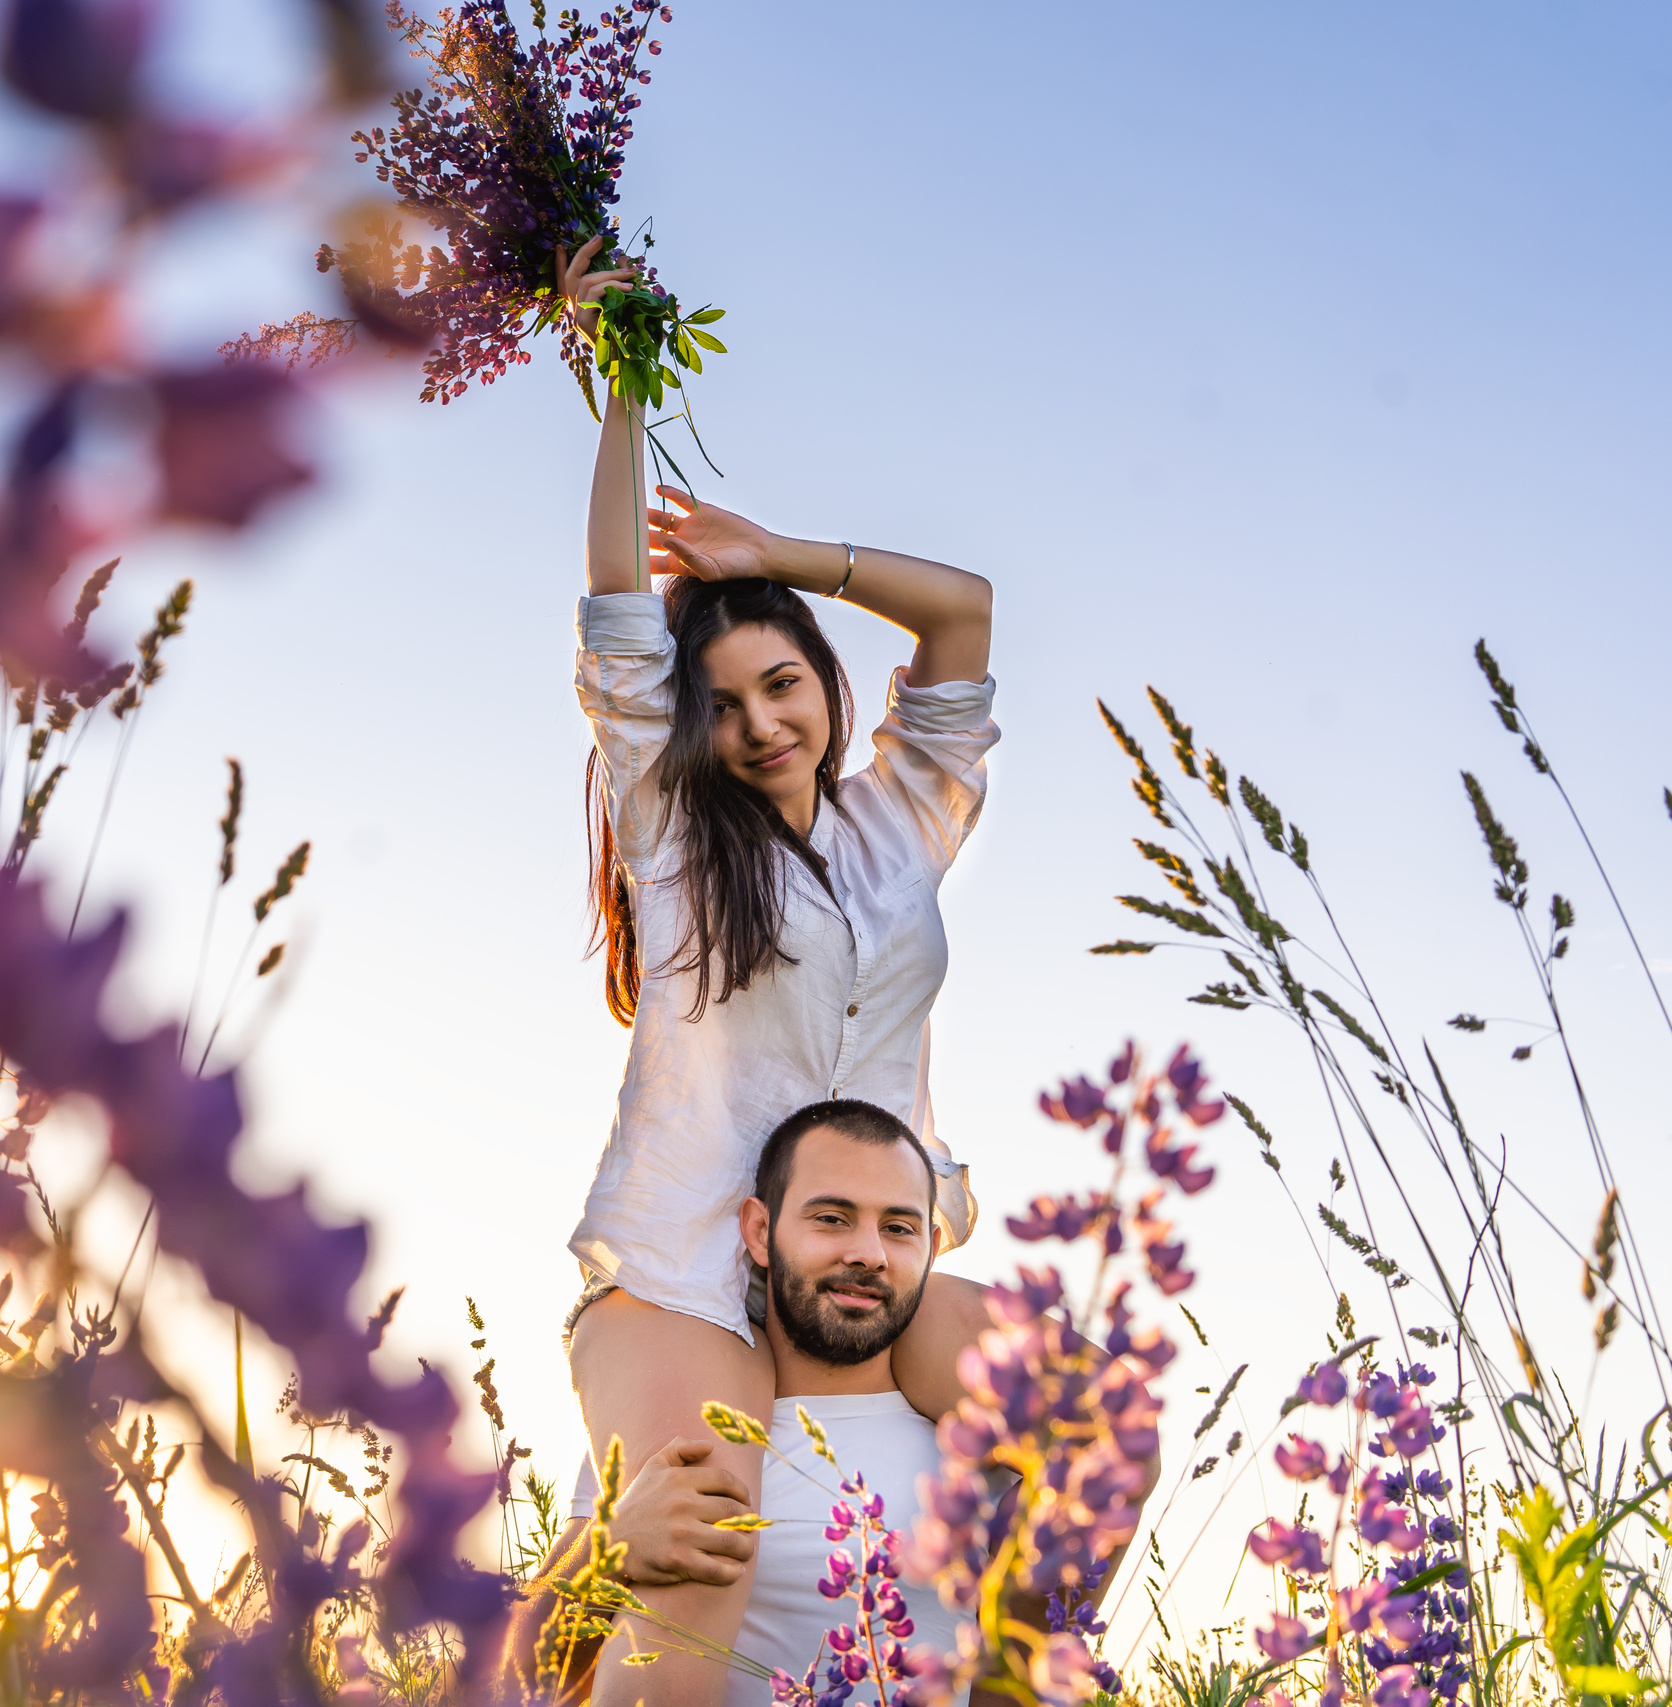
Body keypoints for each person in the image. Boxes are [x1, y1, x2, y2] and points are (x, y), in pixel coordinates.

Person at [552, 236, 1005, 1707]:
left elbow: (966, 609)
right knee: (704, 1544)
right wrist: (619, 381)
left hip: (870, 1250)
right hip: (695, 1270)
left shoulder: (899, 824)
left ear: (824, 680)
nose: (760, 724)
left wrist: (772, 558)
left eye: (784, 683)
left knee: (1067, 1413)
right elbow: (621, 615)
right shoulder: (679, 838)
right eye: (723, 705)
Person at [517, 1103, 1150, 1706]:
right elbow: (523, 1673)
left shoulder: (971, 1449)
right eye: (831, 1218)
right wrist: (608, 1553)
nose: (868, 1253)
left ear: (930, 1245)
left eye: (898, 1229)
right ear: (760, 1231)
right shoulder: (686, 1421)